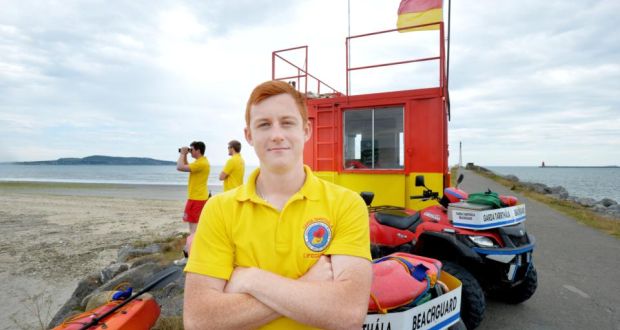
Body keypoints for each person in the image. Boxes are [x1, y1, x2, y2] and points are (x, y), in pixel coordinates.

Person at [183, 80, 372, 329]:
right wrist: (307, 285)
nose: (277, 134)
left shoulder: (347, 205)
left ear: (306, 130)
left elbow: (348, 313)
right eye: (264, 124)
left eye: (287, 122)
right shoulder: (218, 210)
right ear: (249, 135)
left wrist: (251, 280)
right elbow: (199, 320)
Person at [176, 141, 210, 265]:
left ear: (197, 150)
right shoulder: (200, 162)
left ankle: (190, 257)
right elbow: (185, 165)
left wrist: (182, 153)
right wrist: (184, 155)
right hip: (196, 198)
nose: (190, 151)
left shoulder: (201, 163)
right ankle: (192, 255)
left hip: (197, 200)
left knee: (194, 230)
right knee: (193, 229)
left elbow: (180, 167)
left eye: (192, 149)